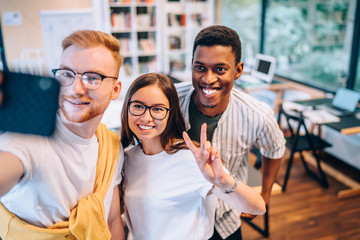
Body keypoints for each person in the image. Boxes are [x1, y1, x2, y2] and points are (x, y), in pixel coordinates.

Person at [0, 30, 125, 240]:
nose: (75, 89)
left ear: (115, 89)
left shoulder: (110, 144)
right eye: (67, 74)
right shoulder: (27, 138)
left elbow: (111, 221)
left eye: (93, 78)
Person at [120, 73, 265, 240]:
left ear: (170, 113)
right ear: (127, 107)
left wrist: (223, 180)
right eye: (138, 106)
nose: (146, 117)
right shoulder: (128, 157)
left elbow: (258, 207)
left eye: (157, 109)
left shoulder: (191, 160)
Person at [176, 25, 286, 239]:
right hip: (179, 216)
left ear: (238, 70)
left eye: (220, 69)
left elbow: (275, 149)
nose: (208, 79)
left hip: (224, 219)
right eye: (200, 68)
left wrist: (264, 195)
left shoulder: (257, 114)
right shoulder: (169, 100)